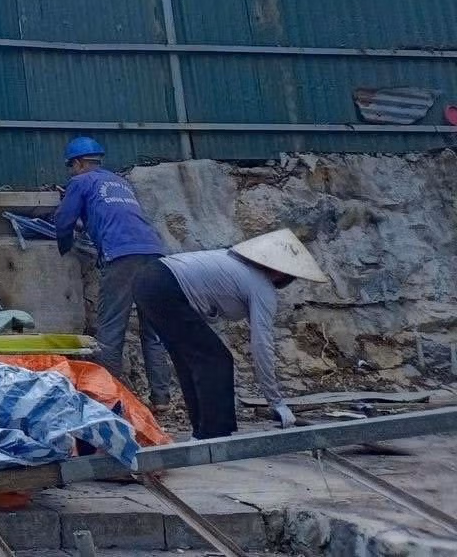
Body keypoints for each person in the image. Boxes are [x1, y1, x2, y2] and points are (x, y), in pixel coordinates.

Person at [132, 228, 328, 440]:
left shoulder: (231, 262)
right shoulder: (261, 287)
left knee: (191, 360)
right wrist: (276, 402)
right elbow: (262, 346)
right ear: (282, 273)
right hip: (164, 285)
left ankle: (201, 433)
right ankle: (214, 436)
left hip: (146, 280)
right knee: (216, 359)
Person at [50, 136, 175, 408]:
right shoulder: (120, 183)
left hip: (122, 256)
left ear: (78, 163)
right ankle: (161, 398)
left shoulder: (80, 182)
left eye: (71, 166)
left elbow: (64, 220)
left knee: (111, 329)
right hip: (154, 252)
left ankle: (107, 399)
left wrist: (63, 248)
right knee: (153, 332)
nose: (71, 172)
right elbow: (114, 216)